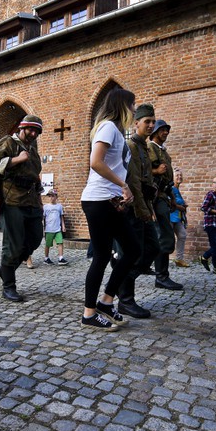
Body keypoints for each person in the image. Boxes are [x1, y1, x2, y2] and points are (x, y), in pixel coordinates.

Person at [80, 88, 140, 330]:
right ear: (122, 105)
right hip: (98, 200)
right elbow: (95, 162)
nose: (135, 110)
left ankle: (106, 301)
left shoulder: (115, 130)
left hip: (110, 200)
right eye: (133, 105)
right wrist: (123, 184)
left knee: (133, 250)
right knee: (103, 255)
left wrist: (124, 190)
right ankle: (89, 313)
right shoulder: (107, 127)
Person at [0, 114, 45, 302]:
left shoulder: (33, 150)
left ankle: (6, 268)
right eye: (31, 129)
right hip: (13, 199)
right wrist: (17, 159)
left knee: (36, 238)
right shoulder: (9, 143)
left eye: (36, 131)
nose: (33, 133)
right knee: (13, 244)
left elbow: (36, 173)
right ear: (22, 128)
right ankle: (8, 287)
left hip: (32, 200)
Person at [115, 103, 163, 319]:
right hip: (134, 207)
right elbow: (133, 181)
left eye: (153, 121)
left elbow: (145, 179)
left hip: (144, 205)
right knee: (133, 253)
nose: (151, 125)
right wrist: (143, 209)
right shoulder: (131, 146)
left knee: (153, 247)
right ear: (136, 124)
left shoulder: (144, 146)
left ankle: (122, 278)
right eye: (147, 122)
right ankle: (126, 300)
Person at [148, 119, 183, 290]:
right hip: (153, 197)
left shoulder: (164, 152)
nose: (166, 132)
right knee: (163, 235)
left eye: (167, 130)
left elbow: (167, 179)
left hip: (163, 195)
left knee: (163, 235)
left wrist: (173, 198)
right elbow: (143, 171)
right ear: (154, 132)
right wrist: (156, 171)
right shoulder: (150, 149)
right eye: (163, 130)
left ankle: (161, 275)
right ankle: (161, 276)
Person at [42, 189, 68, 265]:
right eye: (49, 196)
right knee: (48, 244)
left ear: (56, 197)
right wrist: (42, 227)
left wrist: (63, 226)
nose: (51, 198)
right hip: (49, 229)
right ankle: (46, 258)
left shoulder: (59, 206)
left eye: (53, 196)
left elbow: (61, 217)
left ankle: (61, 258)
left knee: (60, 242)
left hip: (58, 229)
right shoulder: (45, 207)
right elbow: (43, 218)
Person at [170, 169, 189, 267]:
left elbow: (178, 201)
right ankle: (158, 260)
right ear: (172, 177)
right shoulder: (171, 188)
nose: (179, 177)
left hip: (177, 218)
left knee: (182, 235)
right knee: (167, 240)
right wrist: (180, 207)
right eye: (177, 175)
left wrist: (184, 204)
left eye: (181, 175)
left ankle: (179, 259)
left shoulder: (177, 189)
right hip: (170, 217)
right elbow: (169, 202)